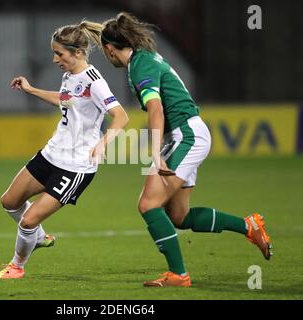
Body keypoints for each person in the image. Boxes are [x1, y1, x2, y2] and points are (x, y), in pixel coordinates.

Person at [99, 12, 273, 287]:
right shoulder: (145, 58)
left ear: (109, 49)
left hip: (186, 135)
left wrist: (155, 153)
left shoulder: (140, 64)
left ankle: (179, 275)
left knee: (148, 204)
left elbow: (156, 108)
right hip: (186, 134)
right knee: (179, 216)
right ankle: (248, 225)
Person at [0, 21, 129, 279]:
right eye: (54, 53)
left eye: (60, 54)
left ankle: (17, 267)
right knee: (9, 201)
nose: (55, 59)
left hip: (76, 166)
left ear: (77, 52)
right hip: (51, 154)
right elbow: (65, 99)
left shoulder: (94, 81)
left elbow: (120, 116)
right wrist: (31, 89)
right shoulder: (69, 76)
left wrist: (103, 143)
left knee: (28, 221)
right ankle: (40, 238)